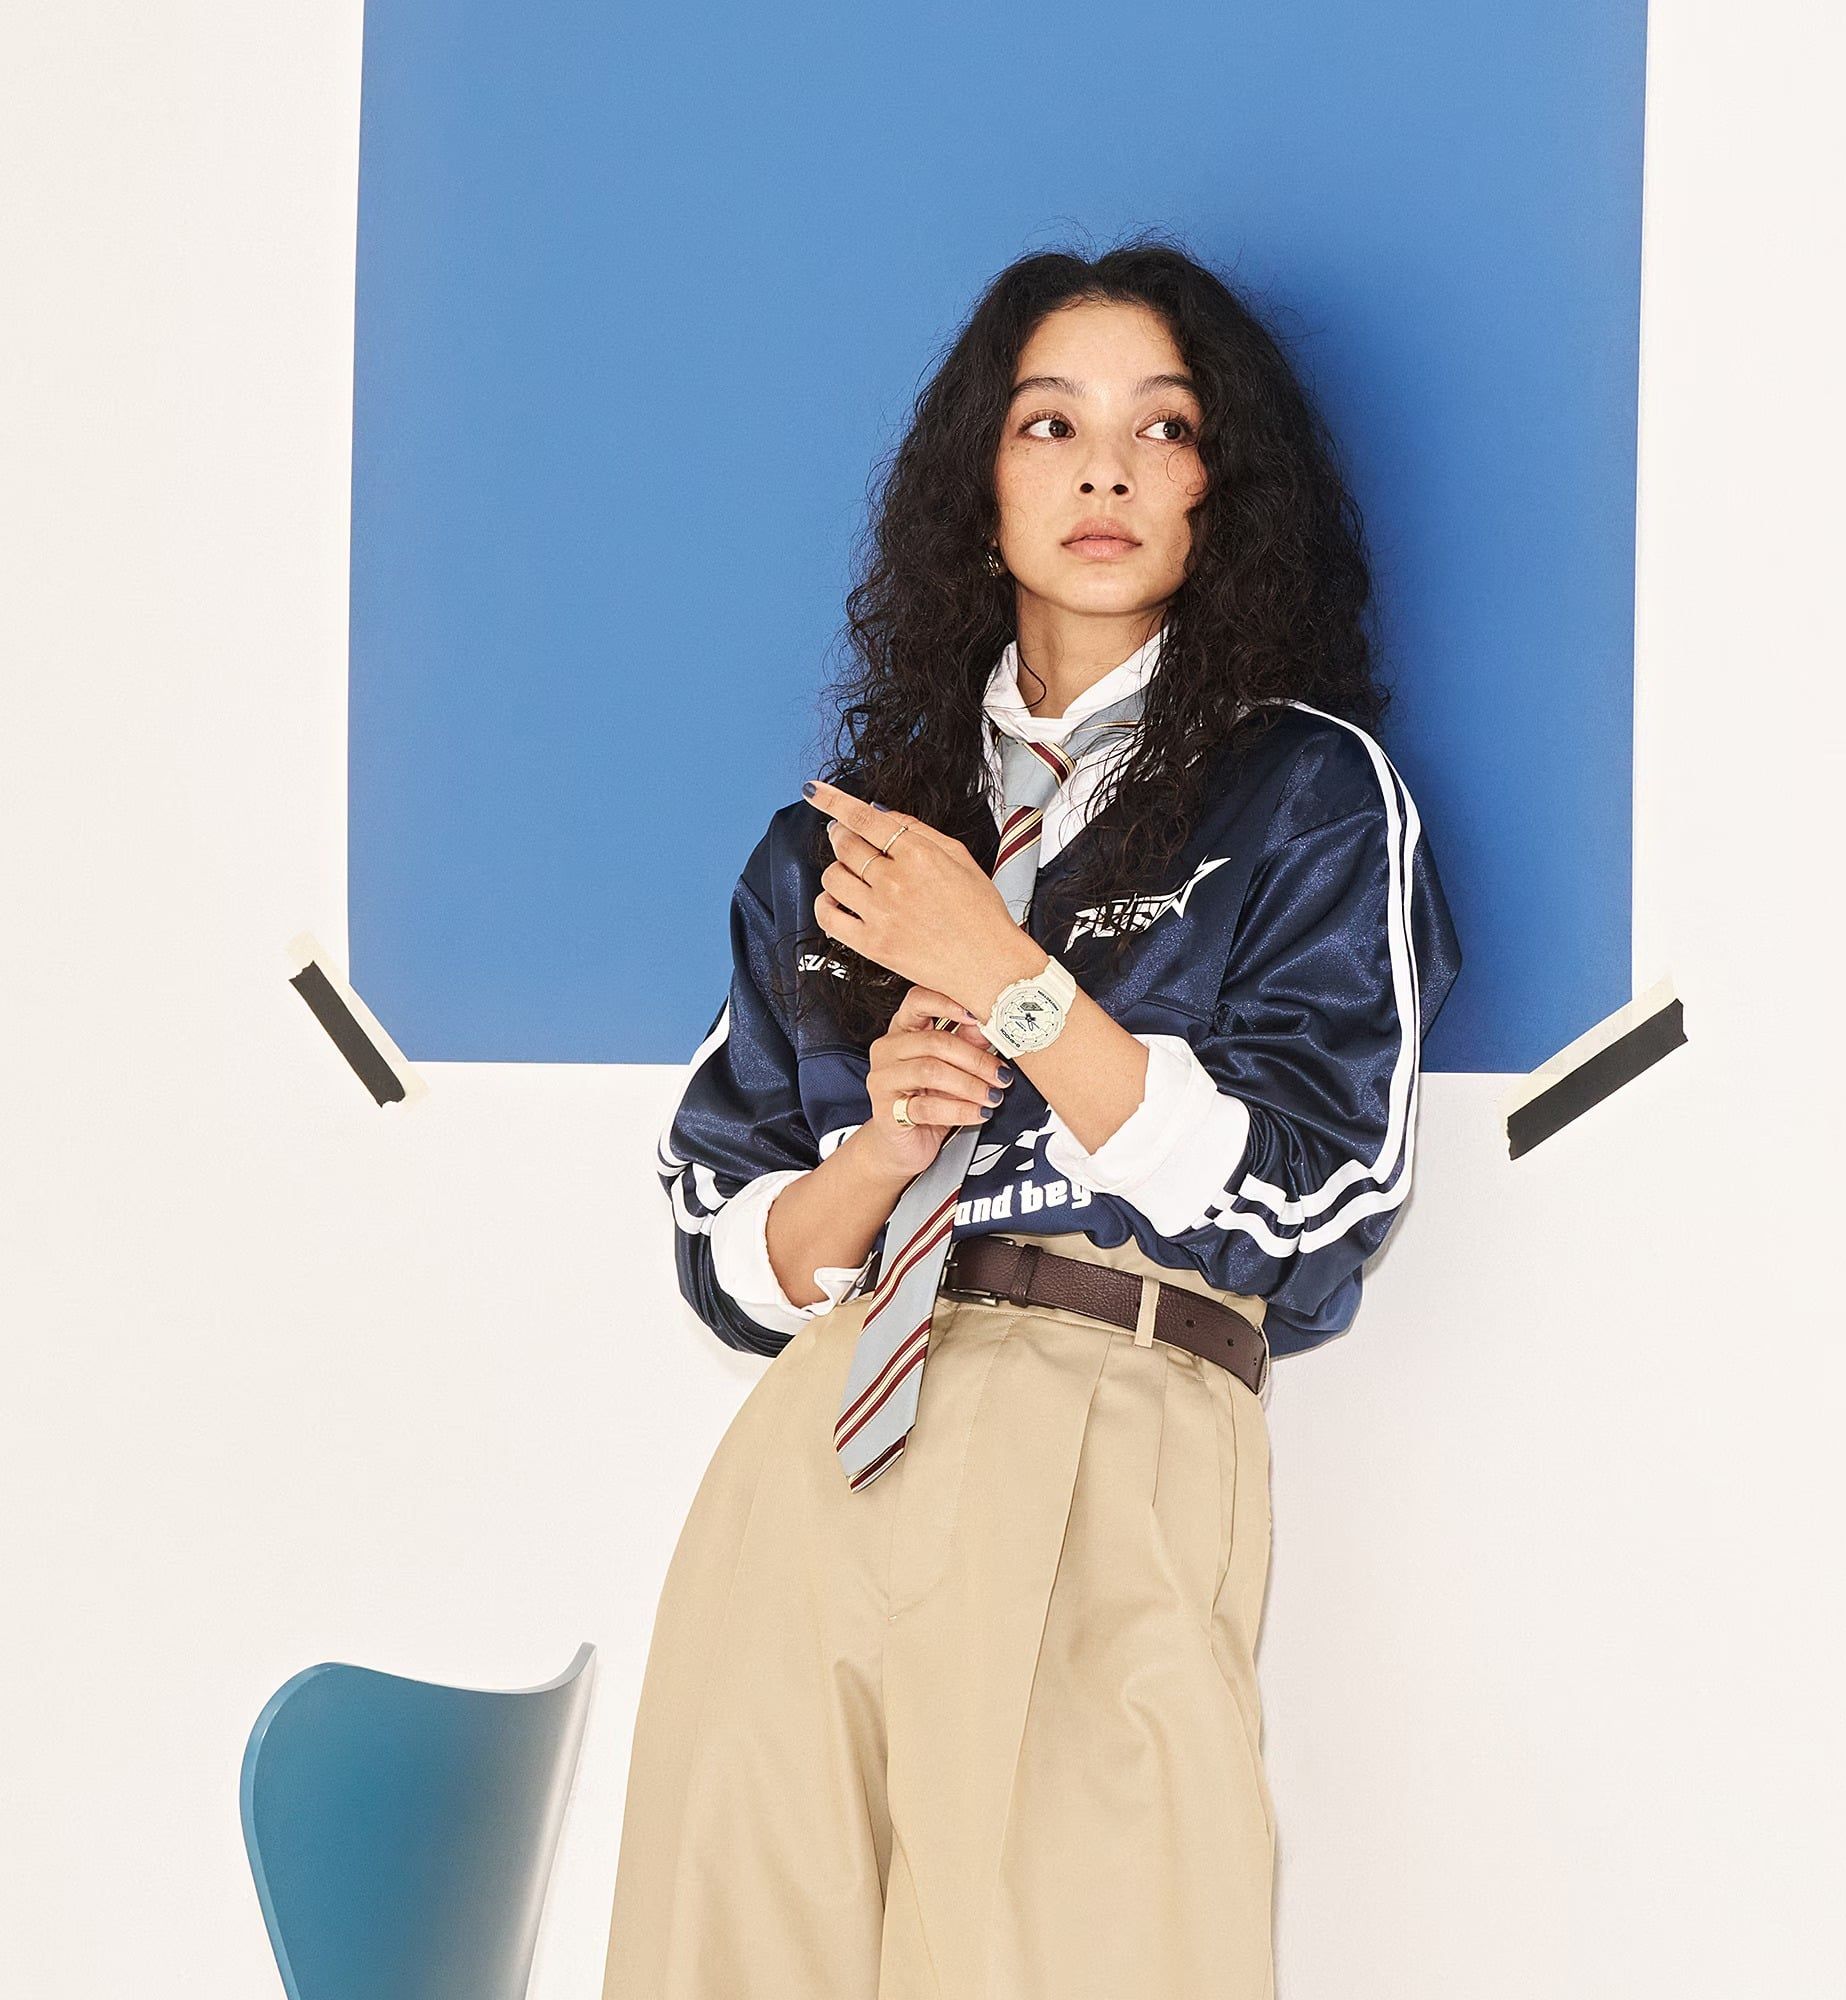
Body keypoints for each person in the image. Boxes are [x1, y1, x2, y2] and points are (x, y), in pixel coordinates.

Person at [600, 238, 1463, 2000]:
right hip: (821, 1439)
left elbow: (1317, 1212)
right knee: (728, 1954)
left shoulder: (1301, 792)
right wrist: (876, 1155)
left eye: (1165, 428)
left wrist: (1013, 983)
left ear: (1223, 487)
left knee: (1087, 1953)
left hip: (1113, 1422)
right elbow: (724, 1253)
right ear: (977, 485)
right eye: (1050, 424)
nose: (1105, 472)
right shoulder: (846, 839)